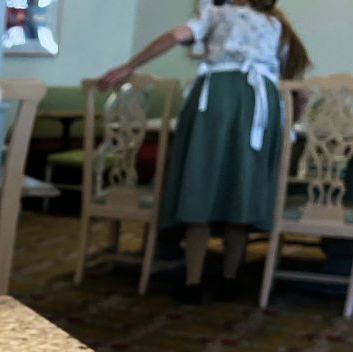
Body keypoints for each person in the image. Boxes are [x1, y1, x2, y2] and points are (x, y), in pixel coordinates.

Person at [99, 0, 311, 303]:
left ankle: (193, 282)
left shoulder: (214, 13)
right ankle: (230, 279)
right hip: (258, 103)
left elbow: (175, 36)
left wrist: (129, 66)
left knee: (200, 179)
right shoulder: (277, 26)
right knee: (242, 185)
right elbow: (293, 83)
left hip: (216, 98)